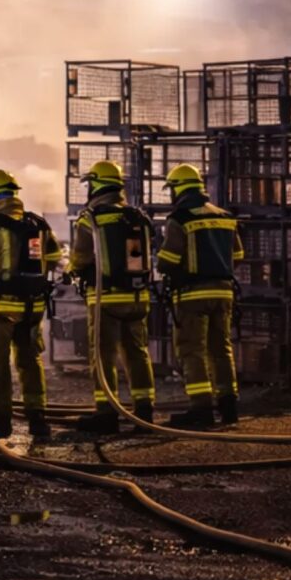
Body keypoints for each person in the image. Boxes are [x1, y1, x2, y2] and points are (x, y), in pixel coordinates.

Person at [67, 160, 158, 433]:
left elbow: (80, 258)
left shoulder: (91, 218)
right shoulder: (137, 216)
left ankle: (106, 413)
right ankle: (144, 412)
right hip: (137, 298)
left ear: (95, 185)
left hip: (105, 299)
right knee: (137, 353)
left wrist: (72, 270)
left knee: (103, 355)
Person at [0, 169, 61, 442]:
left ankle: (0, 419)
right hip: (32, 308)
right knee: (30, 360)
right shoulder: (37, 223)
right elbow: (56, 255)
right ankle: (38, 418)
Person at [158, 164, 245, 428]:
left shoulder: (179, 219)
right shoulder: (225, 216)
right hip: (224, 292)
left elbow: (168, 261)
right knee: (221, 349)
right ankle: (229, 406)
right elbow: (238, 256)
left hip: (192, 294)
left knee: (191, 351)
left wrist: (157, 253)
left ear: (178, 189)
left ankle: (201, 408)